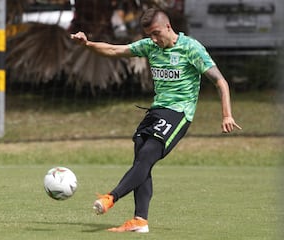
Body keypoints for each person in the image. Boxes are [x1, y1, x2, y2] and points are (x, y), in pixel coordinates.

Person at [71, 8, 241, 233]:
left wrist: (226, 114)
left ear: (168, 27)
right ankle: (140, 221)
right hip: (156, 111)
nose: (153, 38)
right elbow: (113, 50)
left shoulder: (191, 48)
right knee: (142, 158)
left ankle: (110, 198)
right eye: (149, 34)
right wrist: (88, 44)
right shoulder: (150, 47)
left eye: (156, 33)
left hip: (179, 113)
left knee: (147, 155)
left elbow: (221, 82)